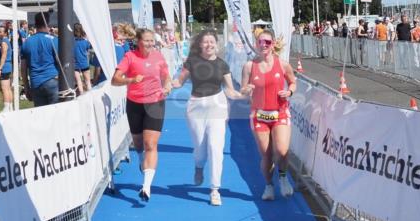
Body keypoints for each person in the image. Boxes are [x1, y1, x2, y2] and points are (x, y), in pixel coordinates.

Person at [171, 30, 243, 206]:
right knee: (200, 149)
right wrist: (166, 84)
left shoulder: (222, 64)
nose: (209, 45)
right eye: (205, 42)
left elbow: (230, 91)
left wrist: (244, 96)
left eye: (212, 42)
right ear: (200, 45)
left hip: (217, 106)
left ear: (217, 45)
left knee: (215, 147)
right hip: (196, 108)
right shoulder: (192, 62)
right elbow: (178, 82)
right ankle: (199, 166)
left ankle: (214, 189)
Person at [111, 28, 172, 202]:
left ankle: (146, 187)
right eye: (146, 40)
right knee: (138, 143)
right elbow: (115, 80)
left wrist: (167, 86)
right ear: (138, 41)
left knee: (150, 144)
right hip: (135, 104)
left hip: (155, 103)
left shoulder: (158, 57)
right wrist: (130, 80)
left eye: (152, 41)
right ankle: (140, 158)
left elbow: (166, 76)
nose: (150, 44)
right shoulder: (130, 57)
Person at [241, 28, 297, 201]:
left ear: (273, 44)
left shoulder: (283, 64)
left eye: (267, 42)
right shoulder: (249, 66)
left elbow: (293, 82)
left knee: (281, 150)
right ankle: (268, 186)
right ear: (256, 44)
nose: (263, 45)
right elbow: (242, 90)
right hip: (259, 116)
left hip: (280, 113)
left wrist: (290, 92)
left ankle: (282, 177)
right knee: (266, 155)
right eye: (260, 42)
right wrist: (246, 90)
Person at [21, 12, 61, 107]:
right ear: (48, 23)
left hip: (36, 83)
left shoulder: (27, 42)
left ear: (35, 24)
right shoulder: (53, 40)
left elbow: (23, 68)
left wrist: (26, 87)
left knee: (41, 117)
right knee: (56, 115)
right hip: (52, 80)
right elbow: (61, 62)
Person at [0, 24, 15, 112]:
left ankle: (6, 108)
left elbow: (4, 55)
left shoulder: (4, 42)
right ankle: (10, 107)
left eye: (0, 31)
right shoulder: (3, 41)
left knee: (4, 88)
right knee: (8, 88)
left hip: (4, 67)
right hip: (7, 66)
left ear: (5, 33)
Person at [73, 23, 92, 95]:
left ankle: (81, 96)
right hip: (84, 63)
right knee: (88, 82)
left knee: (78, 82)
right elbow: (88, 49)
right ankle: (90, 96)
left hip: (75, 65)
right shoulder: (85, 42)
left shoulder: (71, 42)